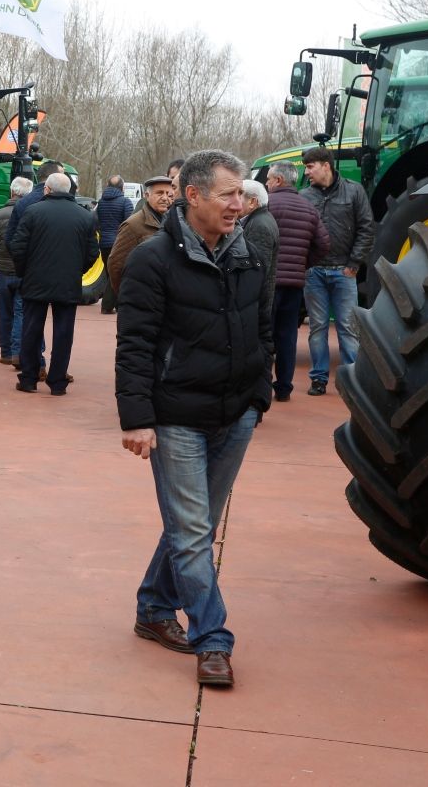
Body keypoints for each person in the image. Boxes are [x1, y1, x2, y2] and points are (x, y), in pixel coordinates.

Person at [116, 149, 271, 689]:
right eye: (228, 194)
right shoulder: (153, 260)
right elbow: (134, 345)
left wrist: (259, 395)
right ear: (194, 196)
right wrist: (136, 418)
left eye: (242, 192)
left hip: (236, 413)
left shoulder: (249, 253)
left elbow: (264, 328)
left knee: (192, 528)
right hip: (177, 415)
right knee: (193, 532)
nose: (239, 202)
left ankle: (154, 607)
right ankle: (213, 639)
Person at [9, 171, 98, 396]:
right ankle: (57, 382)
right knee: (64, 333)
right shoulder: (85, 217)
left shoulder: (32, 212)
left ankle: (29, 378)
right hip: (67, 283)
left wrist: (24, 273)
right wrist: (76, 272)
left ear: (46, 190)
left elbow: (17, 247)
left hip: (35, 281)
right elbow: (92, 253)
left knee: (31, 330)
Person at [299, 145, 374, 396]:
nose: (307, 172)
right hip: (314, 273)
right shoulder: (304, 197)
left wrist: (354, 265)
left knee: (347, 326)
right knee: (317, 326)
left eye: (310, 167)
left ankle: (352, 379)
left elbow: (366, 228)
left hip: (344, 271)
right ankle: (318, 379)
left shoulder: (354, 191)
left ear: (325, 165)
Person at [265, 161, 328, 402]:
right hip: (294, 285)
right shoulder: (308, 208)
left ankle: (261, 389)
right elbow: (324, 245)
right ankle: (283, 388)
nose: (267, 183)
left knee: (264, 335)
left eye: (269, 179)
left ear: (279, 181)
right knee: (287, 337)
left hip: (268, 285)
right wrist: (302, 263)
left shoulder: (267, 205)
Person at [108, 176, 175, 297]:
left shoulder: (174, 222)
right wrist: (126, 296)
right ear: (147, 196)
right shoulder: (133, 225)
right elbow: (115, 265)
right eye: (159, 193)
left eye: (168, 194)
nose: (165, 198)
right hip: (142, 298)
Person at [0, 176, 33, 367]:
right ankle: (18, 352)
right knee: (21, 312)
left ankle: (5, 352)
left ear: (11, 192)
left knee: (4, 312)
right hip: (23, 272)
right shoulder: (31, 213)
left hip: (2, 271)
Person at [240, 179, 279, 316]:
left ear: (252, 202)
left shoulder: (259, 225)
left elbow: (257, 270)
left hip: (254, 306)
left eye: (239, 194)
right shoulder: (259, 219)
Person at [96, 174, 133, 313]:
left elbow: (97, 222)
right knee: (117, 274)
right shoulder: (125, 202)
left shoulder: (101, 202)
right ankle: (107, 306)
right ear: (122, 187)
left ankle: (117, 304)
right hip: (118, 243)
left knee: (110, 273)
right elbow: (129, 224)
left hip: (104, 243)